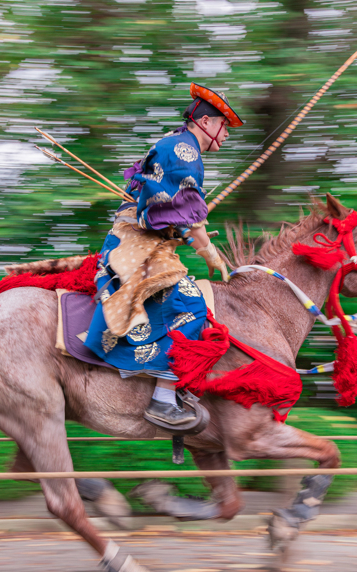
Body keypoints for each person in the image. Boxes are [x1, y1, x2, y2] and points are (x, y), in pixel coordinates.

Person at [83, 83, 243, 427]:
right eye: (224, 126)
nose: (226, 135)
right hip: (134, 245)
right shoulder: (184, 151)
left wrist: (184, 232)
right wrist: (208, 250)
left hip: (144, 240)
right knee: (191, 302)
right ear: (207, 122)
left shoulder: (178, 146)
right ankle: (162, 399)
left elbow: (169, 211)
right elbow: (189, 210)